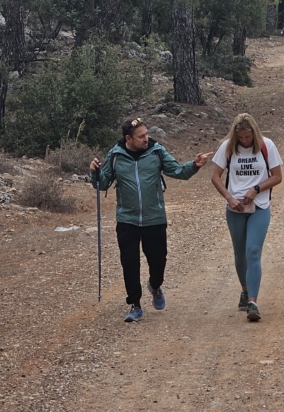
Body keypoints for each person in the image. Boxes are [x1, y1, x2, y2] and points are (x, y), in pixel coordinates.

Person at [89, 117, 211, 322]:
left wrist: (195, 165)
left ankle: (155, 285)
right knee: (129, 263)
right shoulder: (115, 155)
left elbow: (178, 171)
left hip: (154, 218)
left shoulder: (156, 151)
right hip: (127, 219)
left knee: (158, 260)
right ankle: (135, 304)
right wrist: (95, 173)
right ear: (128, 138)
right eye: (141, 136)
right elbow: (102, 184)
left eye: (146, 134)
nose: (146, 139)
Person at [211, 113, 283, 322]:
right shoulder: (227, 147)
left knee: (253, 250)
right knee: (240, 253)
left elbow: (277, 176)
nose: (245, 141)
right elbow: (215, 176)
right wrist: (229, 197)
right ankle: (244, 289)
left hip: (259, 205)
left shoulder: (266, 145)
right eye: (241, 137)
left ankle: (253, 301)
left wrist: (257, 188)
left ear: (254, 132)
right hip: (235, 208)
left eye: (248, 137)